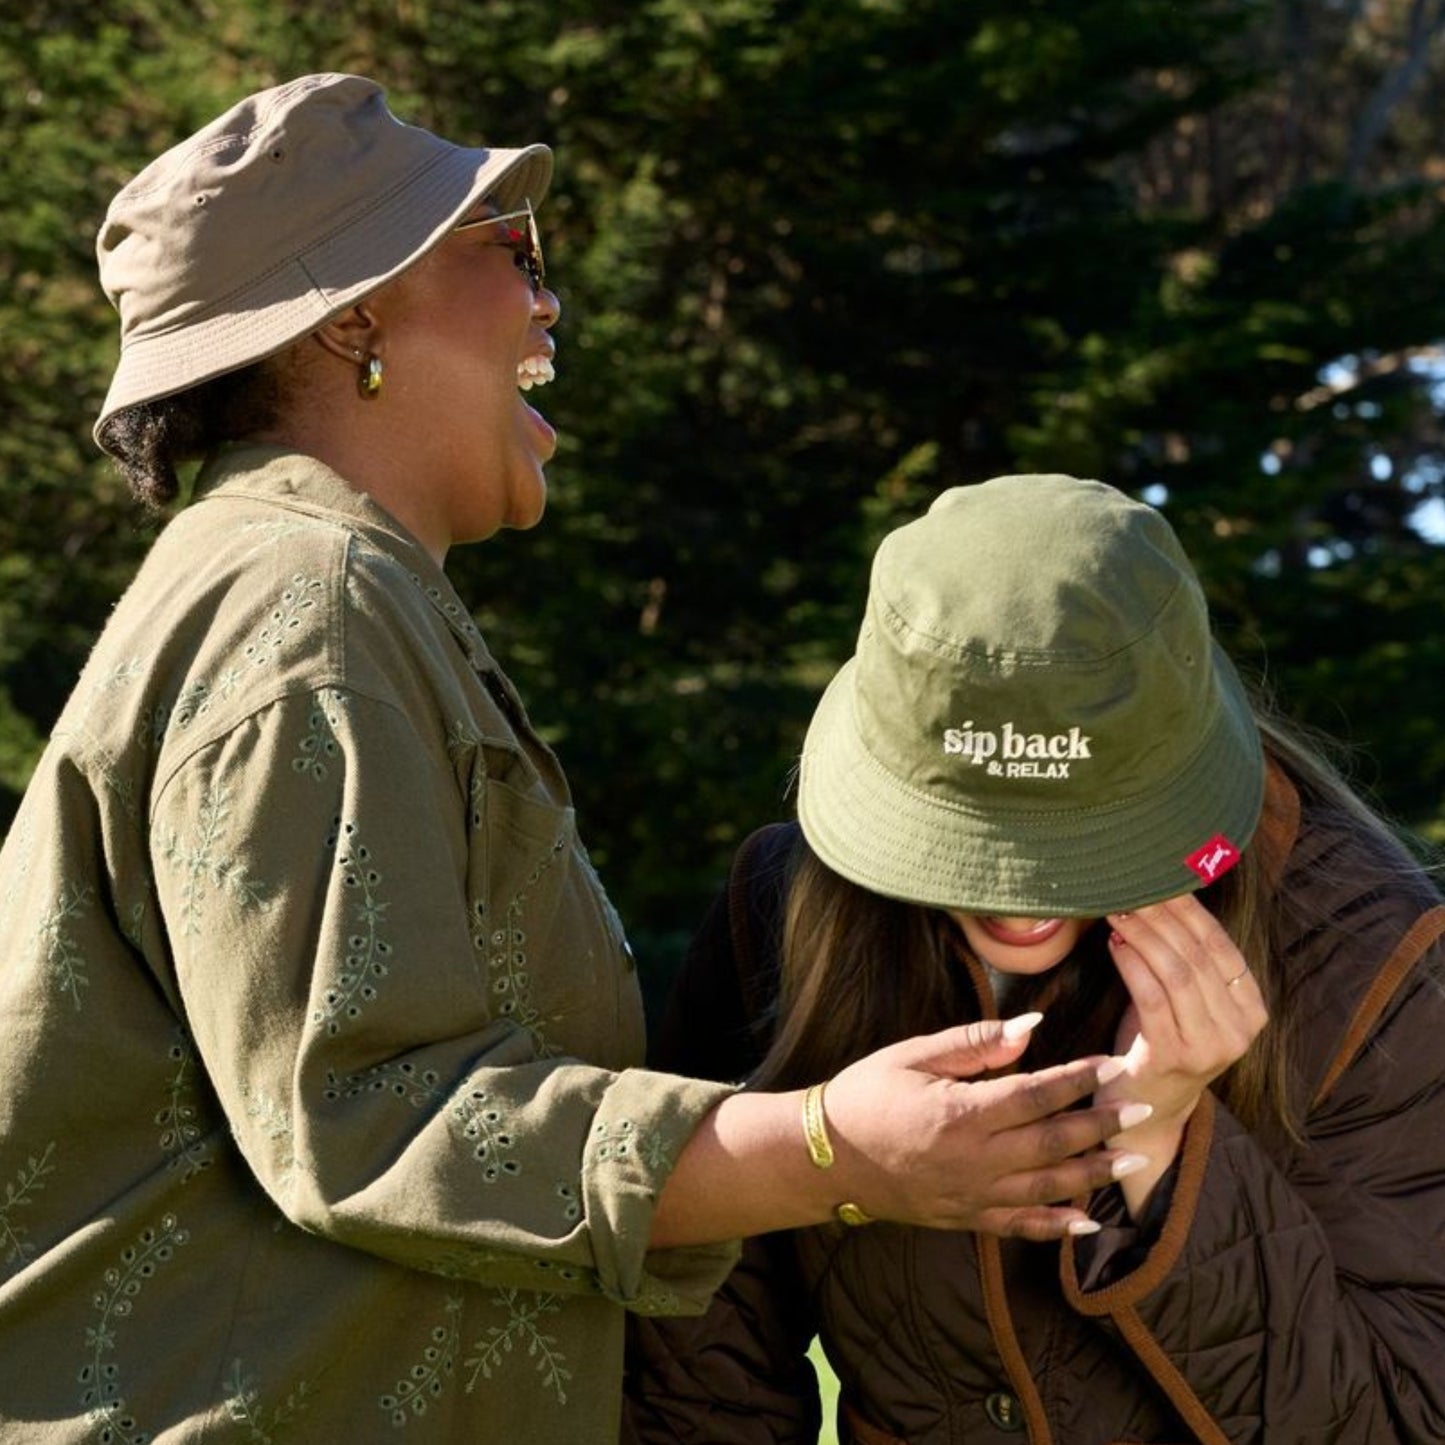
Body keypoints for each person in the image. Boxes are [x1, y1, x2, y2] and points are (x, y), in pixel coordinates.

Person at [0, 81, 1151, 1442]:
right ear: (352, 315)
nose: (549, 305)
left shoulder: (326, 594)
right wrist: (836, 1148)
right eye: (510, 249)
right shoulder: (303, 608)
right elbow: (363, 1118)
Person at [624, 473, 1445, 1444]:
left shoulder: (1372, 952)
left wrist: (1156, 1143)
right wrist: (823, 1148)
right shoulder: (781, 909)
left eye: (1073, 836)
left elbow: (1397, 1420)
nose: (1013, 896)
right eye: (969, 833)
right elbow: (696, 1385)